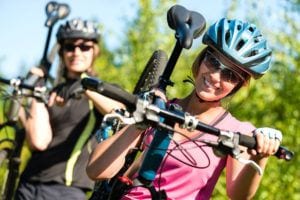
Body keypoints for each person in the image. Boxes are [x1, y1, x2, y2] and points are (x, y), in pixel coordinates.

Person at [86, 18, 283, 200]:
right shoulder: (160, 108)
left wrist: (260, 155)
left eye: (230, 75)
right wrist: (140, 123)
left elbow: (239, 195)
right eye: (213, 61)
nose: (215, 76)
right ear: (201, 58)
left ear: (239, 85)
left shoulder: (238, 132)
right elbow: (96, 170)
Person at [14, 18, 123, 200]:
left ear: (94, 52)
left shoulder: (104, 91)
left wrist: (85, 86)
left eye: (84, 47)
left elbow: (119, 111)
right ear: (62, 52)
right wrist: (36, 91)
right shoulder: (53, 93)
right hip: (28, 185)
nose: (76, 52)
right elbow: (39, 141)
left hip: (68, 190)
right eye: (70, 47)